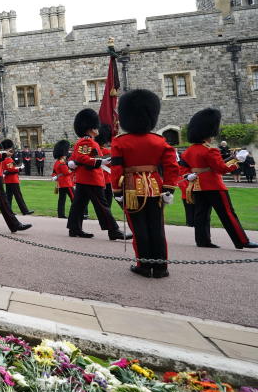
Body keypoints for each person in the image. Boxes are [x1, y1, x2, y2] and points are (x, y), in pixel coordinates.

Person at [109, 89, 181, 278]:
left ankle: (144, 265)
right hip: (156, 189)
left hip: (132, 189)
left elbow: (116, 169)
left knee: (138, 228)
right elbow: (172, 167)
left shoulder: (120, 142)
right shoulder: (159, 141)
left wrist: (116, 190)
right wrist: (168, 188)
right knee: (157, 228)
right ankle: (160, 267)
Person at [182, 108, 258, 249]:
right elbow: (221, 169)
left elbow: (184, 168)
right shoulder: (210, 150)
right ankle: (242, 241)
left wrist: (188, 175)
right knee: (228, 214)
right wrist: (237, 161)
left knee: (201, 215)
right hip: (214, 186)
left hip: (197, 186)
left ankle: (203, 241)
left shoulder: (188, 151)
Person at [66, 108, 124, 240]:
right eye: (96, 126)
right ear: (91, 128)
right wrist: (100, 162)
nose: (98, 128)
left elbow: (80, 158)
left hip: (85, 179)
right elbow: (82, 158)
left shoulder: (88, 142)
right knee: (102, 206)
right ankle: (113, 230)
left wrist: (104, 160)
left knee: (79, 205)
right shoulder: (86, 141)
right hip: (91, 179)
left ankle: (74, 228)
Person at [0, 107, 31, 233]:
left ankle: (12, 224)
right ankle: (14, 224)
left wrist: (3, 153)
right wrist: (5, 154)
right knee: (0, 200)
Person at [1, 139, 33, 215]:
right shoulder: (8, 159)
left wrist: (17, 168)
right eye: (10, 150)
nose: (11, 152)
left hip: (9, 180)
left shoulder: (6, 159)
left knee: (9, 197)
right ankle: (25, 211)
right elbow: (11, 169)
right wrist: (20, 168)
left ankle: (9, 211)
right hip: (12, 180)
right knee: (18, 196)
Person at [51, 140, 74, 218]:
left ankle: (61, 214)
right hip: (67, 183)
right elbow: (67, 172)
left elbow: (54, 172)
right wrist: (73, 169)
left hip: (60, 184)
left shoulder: (57, 162)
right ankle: (75, 214)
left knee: (61, 199)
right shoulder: (62, 162)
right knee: (74, 198)